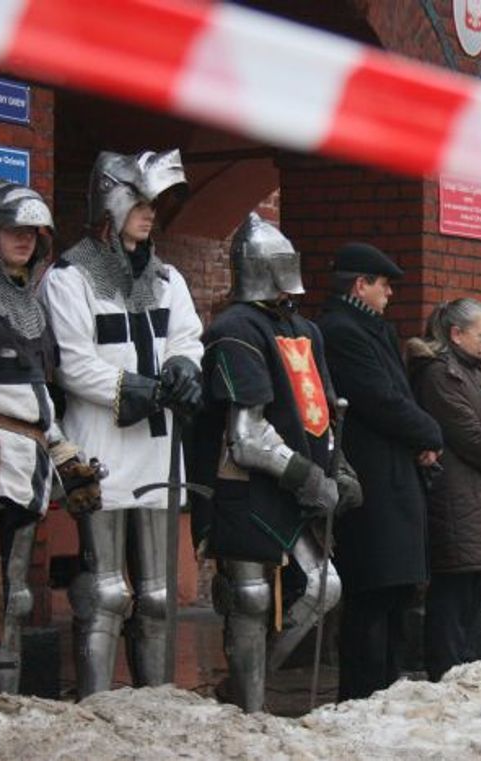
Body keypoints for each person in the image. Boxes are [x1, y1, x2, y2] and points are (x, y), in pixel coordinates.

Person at [41, 151, 204, 697]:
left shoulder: (167, 278)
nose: (150, 212)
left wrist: (182, 368)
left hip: (158, 451)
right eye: (139, 202)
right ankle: (95, 709)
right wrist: (140, 389)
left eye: (152, 203)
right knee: (107, 590)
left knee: (158, 595)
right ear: (110, 204)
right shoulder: (68, 277)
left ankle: (155, 707)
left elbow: (186, 335)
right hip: (100, 446)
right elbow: (73, 360)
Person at [0, 180, 101, 703]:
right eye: (13, 230)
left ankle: (4, 710)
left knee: (17, 598)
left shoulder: (32, 306)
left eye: (32, 231)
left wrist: (63, 451)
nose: (25, 240)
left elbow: (39, 394)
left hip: (27, 466)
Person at [188, 213, 359, 712]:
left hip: (290, 482)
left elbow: (322, 412)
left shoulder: (302, 329)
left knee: (324, 588)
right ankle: (249, 708)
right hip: (241, 486)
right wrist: (306, 475)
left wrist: (339, 467)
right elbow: (246, 436)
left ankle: (245, 684)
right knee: (250, 599)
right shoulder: (234, 330)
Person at [317, 242, 444, 701]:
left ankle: (386, 695)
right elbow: (382, 401)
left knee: (393, 599)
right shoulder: (342, 331)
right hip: (372, 485)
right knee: (372, 599)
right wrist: (430, 434)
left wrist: (422, 439)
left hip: (392, 480)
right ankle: (364, 700)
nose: (389, 293)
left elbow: (398, 397)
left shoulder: (372, 329)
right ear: (360, 285)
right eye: (383, 284)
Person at [405, 298, 481, 682]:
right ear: (456, 334)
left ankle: (459, 668)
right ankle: (446, 672)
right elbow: (472, 437)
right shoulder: (440, 375)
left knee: (469, 591)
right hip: (454, 497)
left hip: (473, 496)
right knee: (452, 593)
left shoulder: (467, 372)